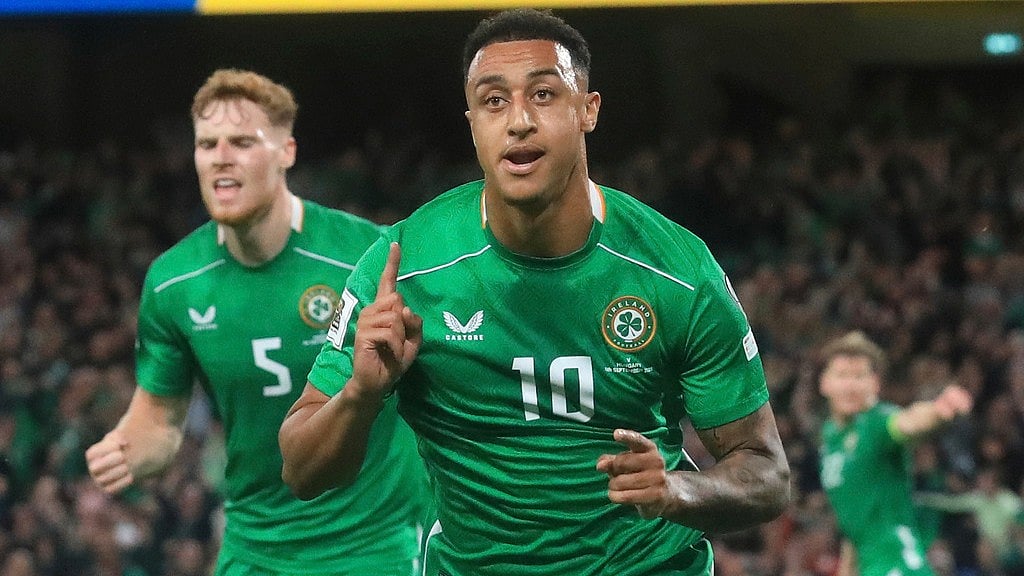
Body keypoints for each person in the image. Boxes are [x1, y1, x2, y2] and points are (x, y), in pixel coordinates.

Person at [279, 9, 790, 576]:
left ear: (587, 110)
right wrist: (360, 393)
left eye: (544, 94)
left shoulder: (676, 270)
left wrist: (676, 491)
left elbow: (766, 473)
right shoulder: (404, 271)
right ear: (472, 122)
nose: (518, 121)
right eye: (494, 101)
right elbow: (302, 472)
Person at [85, 69, 428, 576]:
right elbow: (159, 420)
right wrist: (130, 451)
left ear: (286, 151)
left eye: (242, 141)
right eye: (207, 144)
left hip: (377, 543)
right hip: (255, 546)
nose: (221, 156)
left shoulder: (370, 254)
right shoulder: (173, 282)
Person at [817, 330, 973, 576]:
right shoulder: (830, 437)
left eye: (859, 376)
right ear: (824, 382)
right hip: (870, 566)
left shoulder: (876, 423)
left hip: (897, 564)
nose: (850, 385)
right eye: (842, 375)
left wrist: (938, 411)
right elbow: (855, 527)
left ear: (875, 384)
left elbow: (907, 422)